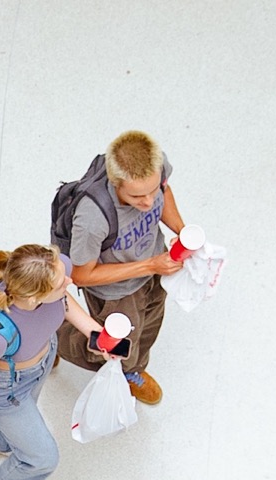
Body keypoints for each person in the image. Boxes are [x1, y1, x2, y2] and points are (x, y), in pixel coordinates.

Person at [0, 245, 116, 480]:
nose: (70, 280)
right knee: (44, 458)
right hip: (8, 389)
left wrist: (93, 331)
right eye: (61, 284)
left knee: (11, 432)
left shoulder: (54, 267)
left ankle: (1, 442)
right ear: (34, 298)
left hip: (42, 360)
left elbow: (64, 301)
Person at [56, 130, 189, 406]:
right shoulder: (93, 218)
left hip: (154, 267)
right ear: (116, 183)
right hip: (115, 292)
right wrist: (150, 265)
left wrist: (182, 230)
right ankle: (48, 335)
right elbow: (81, 275)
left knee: (150, 321)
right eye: (138, 197)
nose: (149, 202)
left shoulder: (156, 166)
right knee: (110, 348)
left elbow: (165, 191)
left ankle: (133, 371)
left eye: (154, 190)